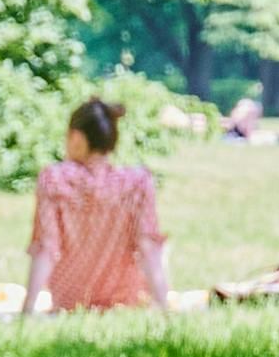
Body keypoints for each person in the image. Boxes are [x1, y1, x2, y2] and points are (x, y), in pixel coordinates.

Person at [21, 98, 171, 315]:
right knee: (160, 244)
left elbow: (46, 247)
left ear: (76, 137)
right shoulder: (137, 182)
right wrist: (163, 307)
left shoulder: (54, 179)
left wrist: (27, 309)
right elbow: (147, 247)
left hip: (70, 303)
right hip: (125, 301)